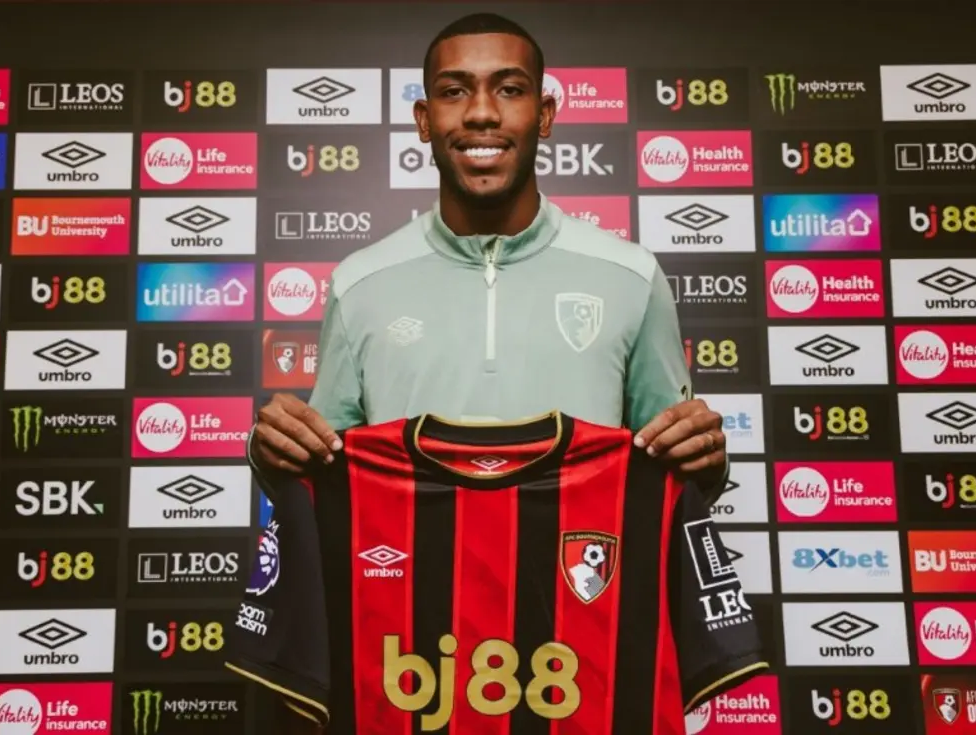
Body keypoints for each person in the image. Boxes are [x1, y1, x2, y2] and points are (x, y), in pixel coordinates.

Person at [251, 12, 730, 497]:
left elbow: (674, 479)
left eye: (510, 89)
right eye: (454, 91)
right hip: (410, 551)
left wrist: (706, 462)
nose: (481, 112)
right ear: (424, 120)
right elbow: (322, 479)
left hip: (578, 551)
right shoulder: (359, 283)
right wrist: (271, 454)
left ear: (545, 115)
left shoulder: (631, 275)